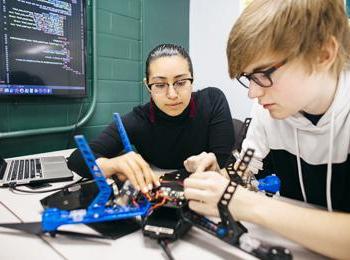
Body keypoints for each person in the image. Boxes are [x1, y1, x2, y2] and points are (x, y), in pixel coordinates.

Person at [183, 0, 350, 258]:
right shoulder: (267, 109)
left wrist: (249, 204)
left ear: (323, 54)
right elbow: (244, 173)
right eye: (249, 78)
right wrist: (222, 178)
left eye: (262, 74)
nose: (253, 93)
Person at [68, 43, 235, 194]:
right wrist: (113, 165)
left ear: (192, 80)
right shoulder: (138, 120)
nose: (172, 94)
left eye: (181, 82)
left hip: (208, 193)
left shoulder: (212, 101)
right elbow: (77, 159)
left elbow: (224, 160)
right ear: (148, 86)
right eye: (160, 85)